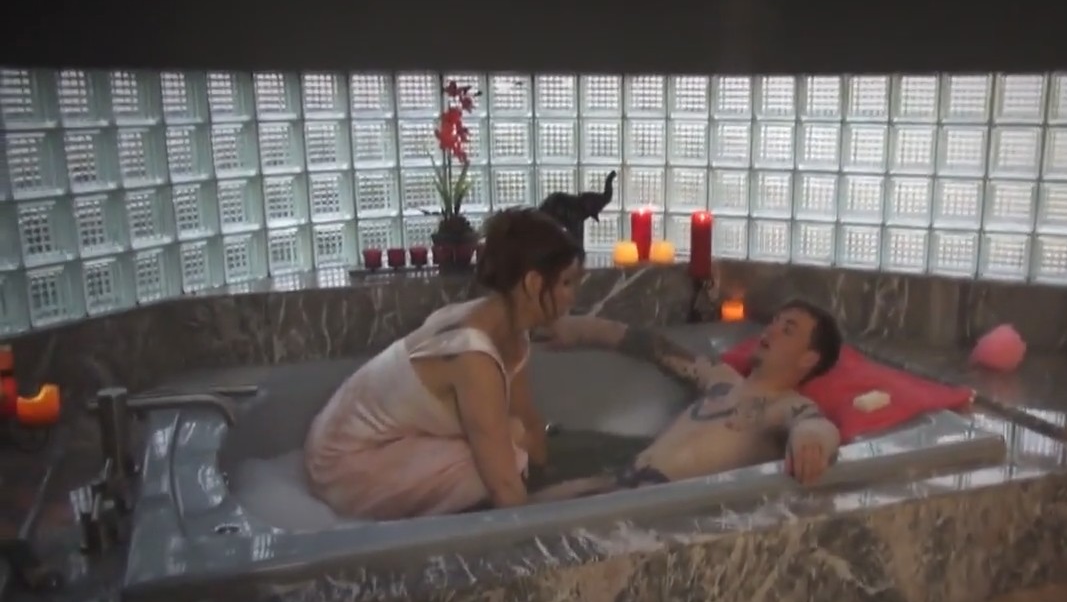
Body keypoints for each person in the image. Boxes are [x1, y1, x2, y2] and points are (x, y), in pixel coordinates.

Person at [304, 207, 584, 520]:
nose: (573, 296)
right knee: (508, 454)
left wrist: (553, 475)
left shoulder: (507, 330)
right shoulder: (473, 354)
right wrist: (556, 521)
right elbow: (506, 489)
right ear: (533, 283)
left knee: (514, 436)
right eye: (567, 283)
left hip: (354, 442)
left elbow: (527, 419)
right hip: (343, 468)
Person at [530, 299, 845, 501]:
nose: (771, 330)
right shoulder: (722, 381)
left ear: (809, 359)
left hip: (653, 511)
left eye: (787, 330)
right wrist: (586, 330)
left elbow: (815, 424)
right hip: (617, 484)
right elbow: (658, 349)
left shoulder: (783, 406)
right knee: (518, 510)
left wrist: (811, 441)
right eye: (774, 321)